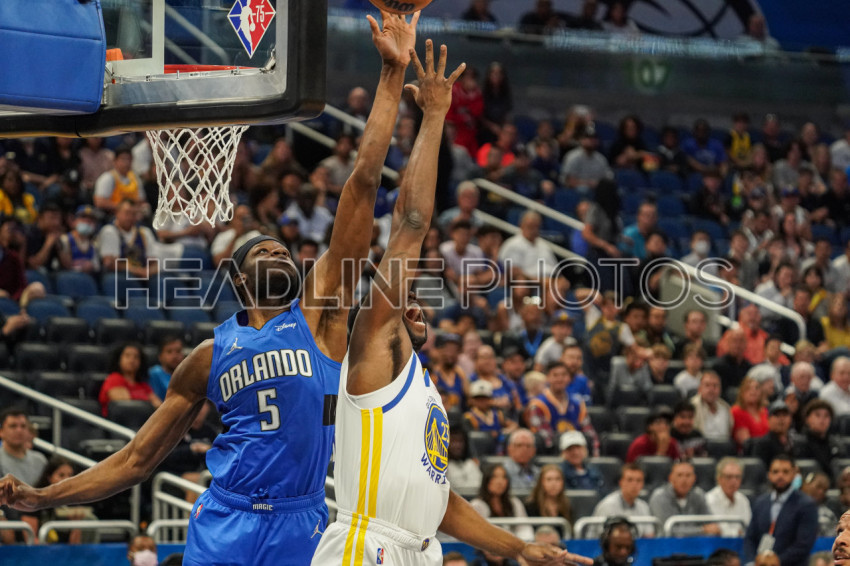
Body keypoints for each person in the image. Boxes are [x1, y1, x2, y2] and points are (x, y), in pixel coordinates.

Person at [0, 12, 420, 566]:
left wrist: (392, 72)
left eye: (282, 249)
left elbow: (363, 183)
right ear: (239, 279)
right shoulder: (207, 355)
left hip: (301, 520)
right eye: (261, 250)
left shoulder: (320, 318)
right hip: (225, 518)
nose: (277, 251)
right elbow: (135, 460)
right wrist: (43, 498)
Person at [311, 41, 589, 566]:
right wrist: (435, 116)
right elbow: (411, 225)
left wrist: (518, 548)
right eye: (405, 301)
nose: (414, 306)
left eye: (416, 302)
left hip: (421, 549)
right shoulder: (373, 348)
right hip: (366, 544)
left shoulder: (422, 387)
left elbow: (440, 501)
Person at [743, 454, 818, 566]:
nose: (780, 476)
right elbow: (750, 538)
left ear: (793, 474)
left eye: (785, 472)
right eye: (775, 472)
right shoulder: (760, 503)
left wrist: (776, 561)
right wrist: (752, 561)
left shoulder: (806, 505)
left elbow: (804, 543)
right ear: (769, 475)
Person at [649, 459, 719, 538]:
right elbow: (667, 531)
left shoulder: (698, 495)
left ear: (694, 478)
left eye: (688, 475)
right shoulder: (659, 497)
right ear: (670, 478)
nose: (684, 480)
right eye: (679, 475)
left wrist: (707, 530)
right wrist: (702, 530)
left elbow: (711, 525)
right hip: (668, 544)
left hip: (696, 543)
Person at [470, 464, 535, 543]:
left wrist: (518, 543)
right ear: (486, 480)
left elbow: (525, 529)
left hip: (514, 545)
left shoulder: (514, 502)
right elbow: (476, 533)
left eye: (504, 477)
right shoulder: (477, 505)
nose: (500, 482)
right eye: (495, 477)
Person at [98, 342, 161, 418]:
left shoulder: (144, 385)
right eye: (127, 356)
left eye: (136, 357)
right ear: (119, 359)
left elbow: (159, 407)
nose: (132, 360)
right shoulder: (114, 379)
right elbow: (126, 408)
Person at [592, 464, 653, 537]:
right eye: (630, 480)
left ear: (643, 484)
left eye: (638, 480)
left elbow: (649, 537)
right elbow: (604, 538)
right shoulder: (608, 506)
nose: (634, 484)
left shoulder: (643, 506)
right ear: (621, 482)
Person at [794, 399, 844, 483]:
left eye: (826, 416)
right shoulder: (799, 444)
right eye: (817, 415)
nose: (822, 419)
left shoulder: (836, 444)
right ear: (807, 419)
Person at [704, 457, 751, 537]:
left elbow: (748, 529)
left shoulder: (743, 500)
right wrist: (737, 533)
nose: (733, 481)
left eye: (737, 477)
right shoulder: (709, 500)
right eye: (729, 477)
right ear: (719, 479)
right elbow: (718, 531)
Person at [93, 145, 146, 214]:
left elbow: (141, 200)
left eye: (129, 159)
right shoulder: (107, 178)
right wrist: (123, 208)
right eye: (123, 159)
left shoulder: (135, 177)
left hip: (133, 215)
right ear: (115, 161)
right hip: (112, 215)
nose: (126, 163)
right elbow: (99, 202)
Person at [524, 464, 573, 539]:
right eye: (549, 479)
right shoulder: (531, 505)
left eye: (557, 479)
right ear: (541, 482)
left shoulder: (567, 505)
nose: (553, 484)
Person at [746, 400, 796, 468]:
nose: (781, 419)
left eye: (785, 415)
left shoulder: (796, 442)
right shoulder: (762, 444)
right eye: (777, 415)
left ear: (790, 419)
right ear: (768, 419)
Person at [148, 335, 185, 402]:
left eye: (178, 351)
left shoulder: (188, 375)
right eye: (169, 351)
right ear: (160, 357)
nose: (175, 356)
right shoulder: (154, 374)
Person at [801, 471, 838, 537]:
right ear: (806, 485)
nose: (821, 492)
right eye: (818, 487)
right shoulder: (790, 507)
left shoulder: (828, 515)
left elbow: (829, 540)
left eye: (824, 490)